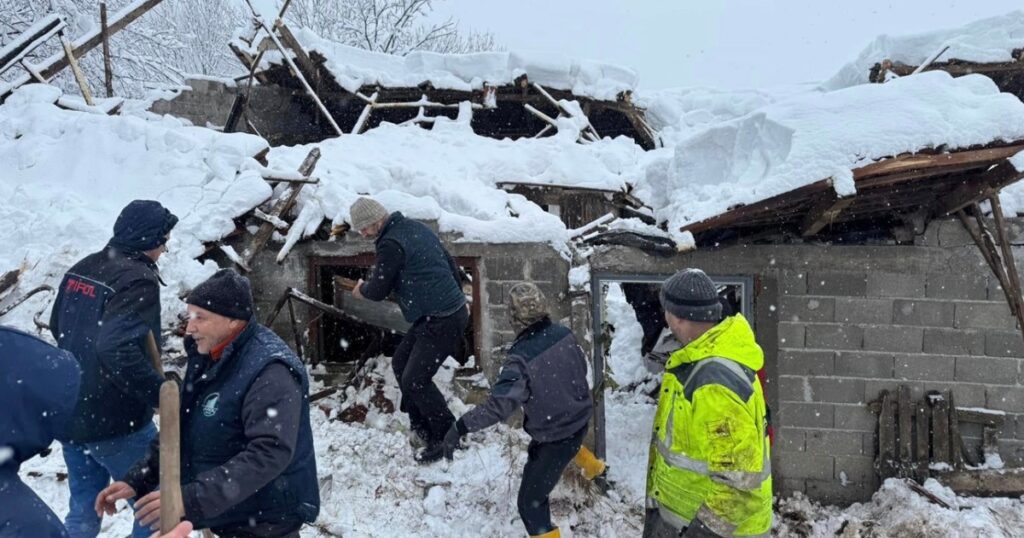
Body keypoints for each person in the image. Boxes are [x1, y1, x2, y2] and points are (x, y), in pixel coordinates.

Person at [96, 269, 320, 537]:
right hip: (230, 513)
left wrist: (189, 499)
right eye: (190, 316)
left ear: (233, 321)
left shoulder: (270, 371)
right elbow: (184, 427)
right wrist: (138, 478)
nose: (189, 327)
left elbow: (268, 453)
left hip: (265, 520)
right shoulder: (209, 353)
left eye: (200, 318)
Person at [49, 200, 178, 538]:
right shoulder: (138, 280)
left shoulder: (82, 267)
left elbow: (56, 324)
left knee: (83, 508)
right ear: (153, 239)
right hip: (116, 421)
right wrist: (158, 392)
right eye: (164, 240)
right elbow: (115, 347)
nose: (164, 249)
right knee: (157, 506)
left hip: (70, 412)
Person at [440, 283, 592, 538]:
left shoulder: (520, 358)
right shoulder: (564, 334)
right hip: (578, 423)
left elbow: (499, 406)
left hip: (556, 437)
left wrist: (461, 426)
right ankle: (595, 468)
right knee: (556, 451)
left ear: (513, 317)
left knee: (529, 504)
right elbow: (581, 370)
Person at [644, 269, 772, 538]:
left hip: (705, 530)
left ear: (676, 316)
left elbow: (739, 487)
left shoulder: (714, 384)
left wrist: (700, 534)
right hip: (683, 518)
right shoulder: (704, 358)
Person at [349, 197, 469, 463]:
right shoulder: (414, 227)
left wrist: (361, 291)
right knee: (402, 363)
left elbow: (378, 289)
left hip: (442, 319)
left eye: (365, 228)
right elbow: (450, 264)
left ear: (378, 220)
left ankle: (447, 436)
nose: (363, 234)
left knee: (415, 379)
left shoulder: (391, 244)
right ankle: (421, 425)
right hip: (439, 315)